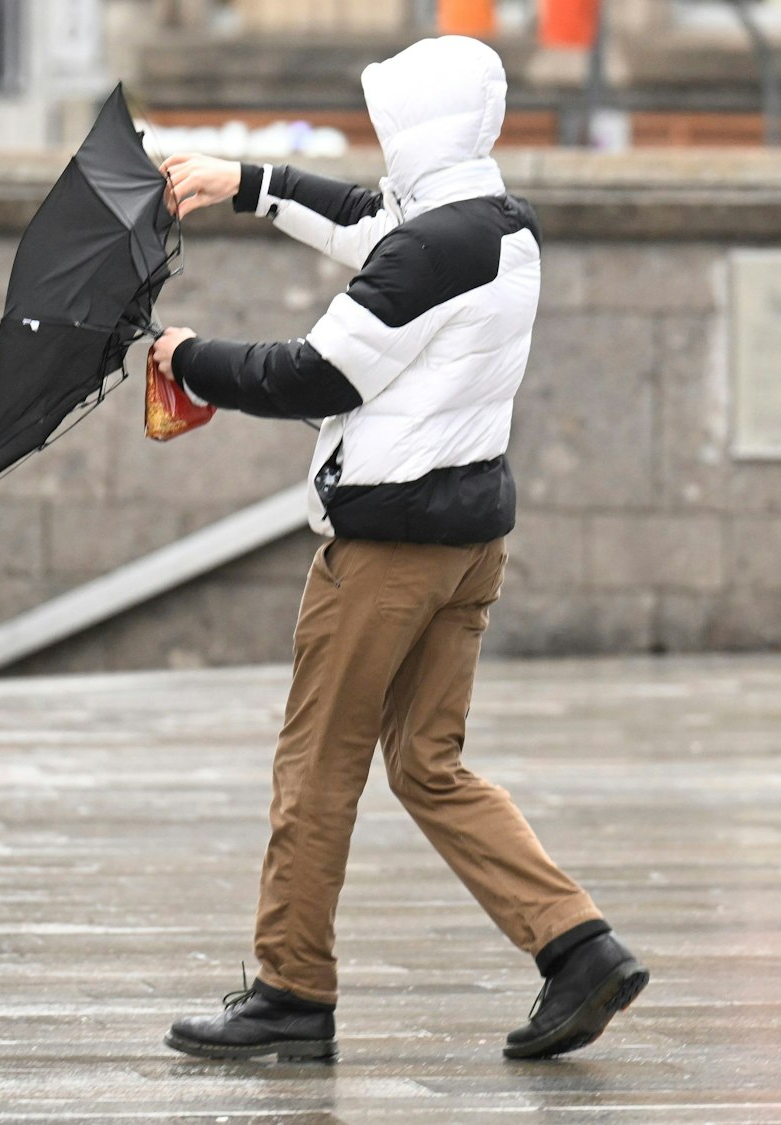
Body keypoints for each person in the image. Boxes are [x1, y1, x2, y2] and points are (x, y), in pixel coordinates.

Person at [151, 36, 646, 1062]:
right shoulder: (499, 228)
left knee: (315, 766)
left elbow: (316, 375)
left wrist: (181, 358)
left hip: (384, 550)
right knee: (428, 764)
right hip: (469, 541)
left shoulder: (430, 251)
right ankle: (577, 947)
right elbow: (369, 223)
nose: (377, 150)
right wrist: (244, 182)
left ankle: (290, 992)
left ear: (412, 129)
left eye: (385, 127)